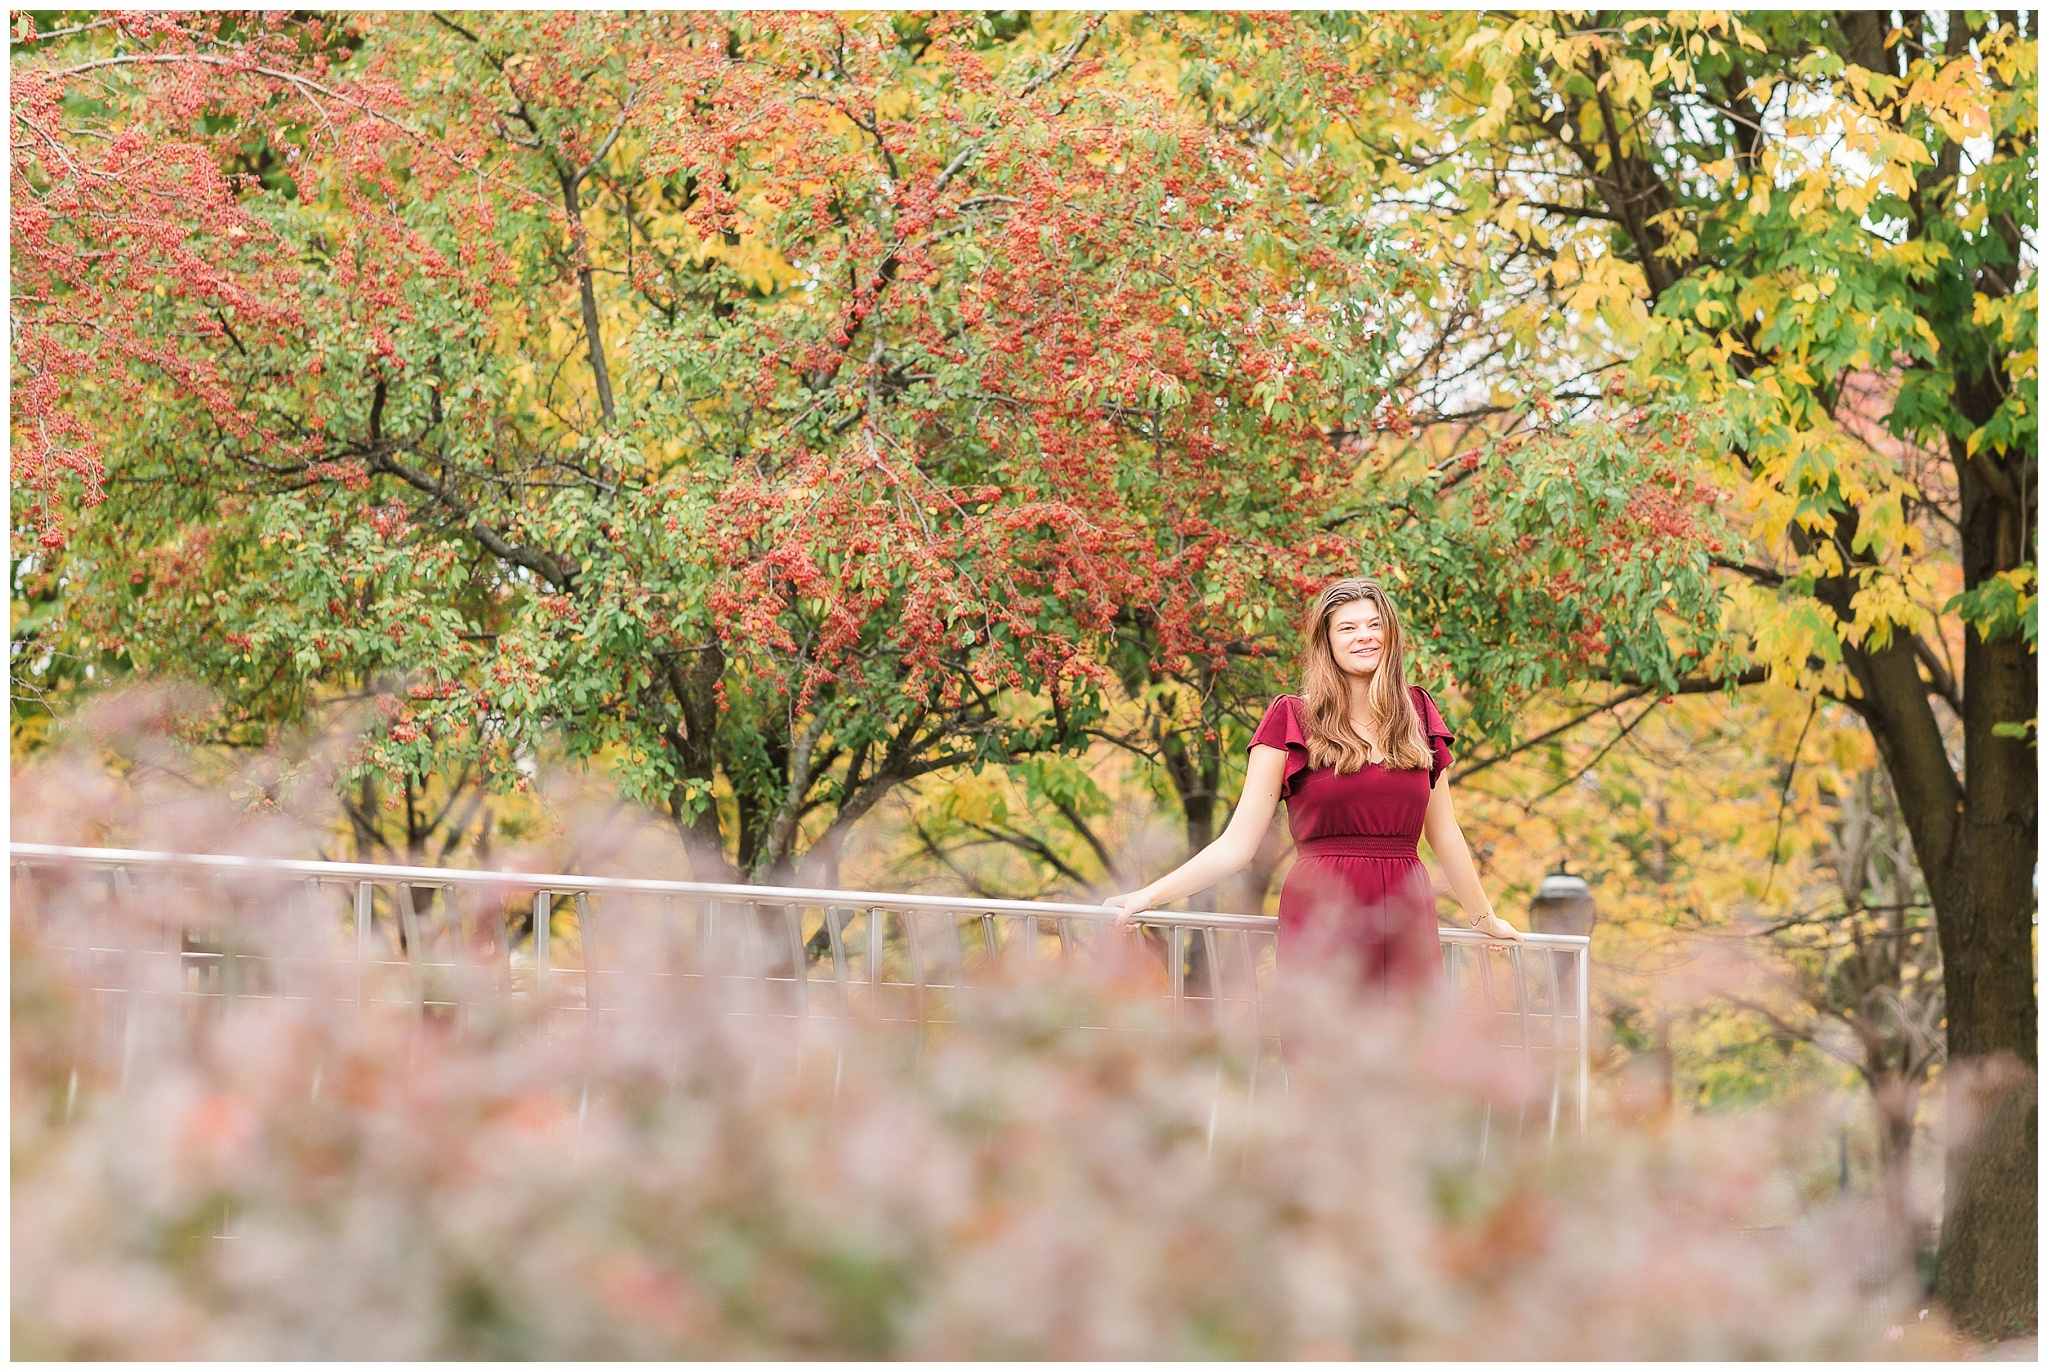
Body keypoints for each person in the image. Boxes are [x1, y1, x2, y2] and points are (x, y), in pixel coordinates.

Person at [1104, 577, 1522, 996]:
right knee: (1326, 1053)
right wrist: (1149, 896)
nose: (1364, 636)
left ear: (1390, 635)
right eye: (1348, 627)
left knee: (1409, 1054)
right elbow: (1237, 844)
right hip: (1322, 915)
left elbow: (1445, 833)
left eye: (1375, 625)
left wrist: (1485, 918)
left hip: (1406, 915)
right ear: (1327, 641)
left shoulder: (1417, 715)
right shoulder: (1291, 718)